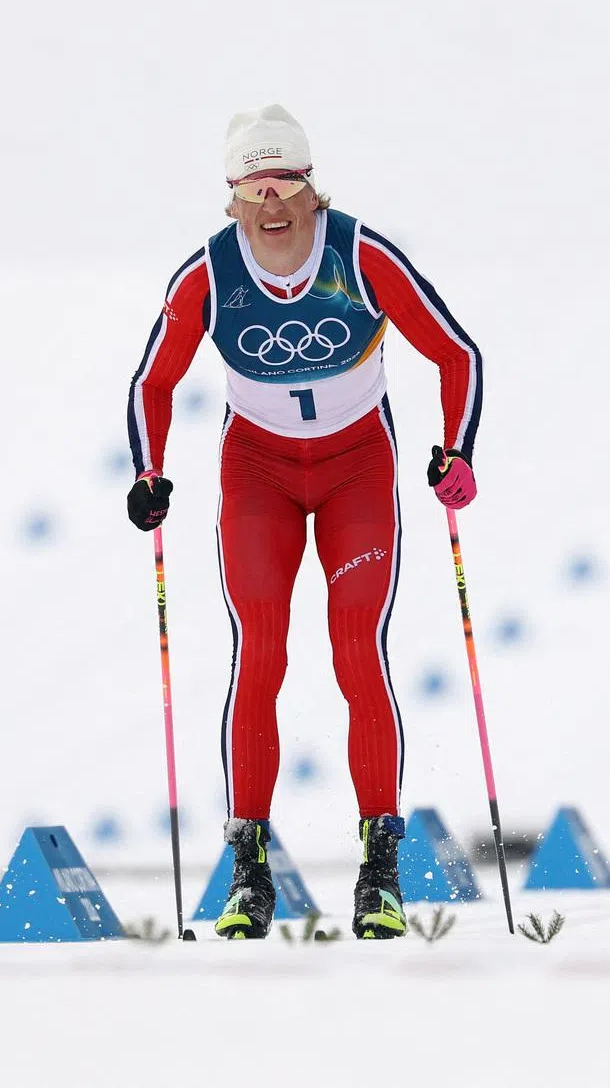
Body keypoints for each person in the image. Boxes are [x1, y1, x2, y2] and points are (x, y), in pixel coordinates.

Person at [126, 105, 482, 940]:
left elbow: (456, 353)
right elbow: (153, 381)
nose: (274, 202)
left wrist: (455, 453)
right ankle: (248, 870)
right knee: (261, 651)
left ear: (313, 188)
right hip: (258, 473)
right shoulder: (208, 276)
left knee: (357, 649)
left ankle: (380, 867)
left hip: (357, 468)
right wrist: (150, 474)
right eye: (255, 186)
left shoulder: (359, 255)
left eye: (287, 181)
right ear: (233, 198)